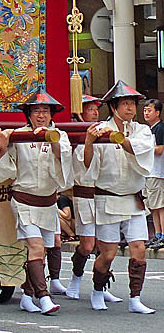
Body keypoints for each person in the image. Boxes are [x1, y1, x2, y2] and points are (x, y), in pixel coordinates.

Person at [0, 91, 72, 315]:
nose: (41, 115)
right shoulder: (18, 136)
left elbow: (65, 166)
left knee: (41, 251)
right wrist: (3, 147)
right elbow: (1, 168)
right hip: (24, 200)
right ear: (28, 114)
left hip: (48, 202)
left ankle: (27, 294)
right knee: (36, 246)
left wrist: (50, 140)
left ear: (52, 114)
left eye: (45, 111)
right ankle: (44, 297)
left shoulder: (60, 135)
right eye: (36, 111)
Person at [83, 80, 155, 314]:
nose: (130, 109)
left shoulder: (142, 130)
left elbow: (140, 151)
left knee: (139, 248)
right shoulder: (100, 129)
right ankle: (97, 290)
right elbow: (87, 165)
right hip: (108, 198)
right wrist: (89, 142)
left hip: (133, 198)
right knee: (108, 253)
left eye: (132, 104)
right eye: (124, 104)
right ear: (113, 107)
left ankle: (135, 298)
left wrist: (118, 136)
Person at [65, 95, 121, 303]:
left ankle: (101, 283)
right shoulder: (73, 133)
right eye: (89, 109)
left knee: (106, 246)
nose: (95, 112)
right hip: (84, 192)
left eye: (96, 109)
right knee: (87, 245)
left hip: (104, 193)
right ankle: (76, 278)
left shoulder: (105, 131)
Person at [143, 99, 164, 250]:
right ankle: (157, 234)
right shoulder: (149, 129)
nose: (146, 113)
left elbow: (159, 150)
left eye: (149, 110)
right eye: (144, 110)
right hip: (150, 172)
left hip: (158, 173)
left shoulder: (160, 128)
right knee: (153, 207)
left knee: (160, 206)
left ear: (157, 112)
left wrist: (143, 147)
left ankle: (163, 235)